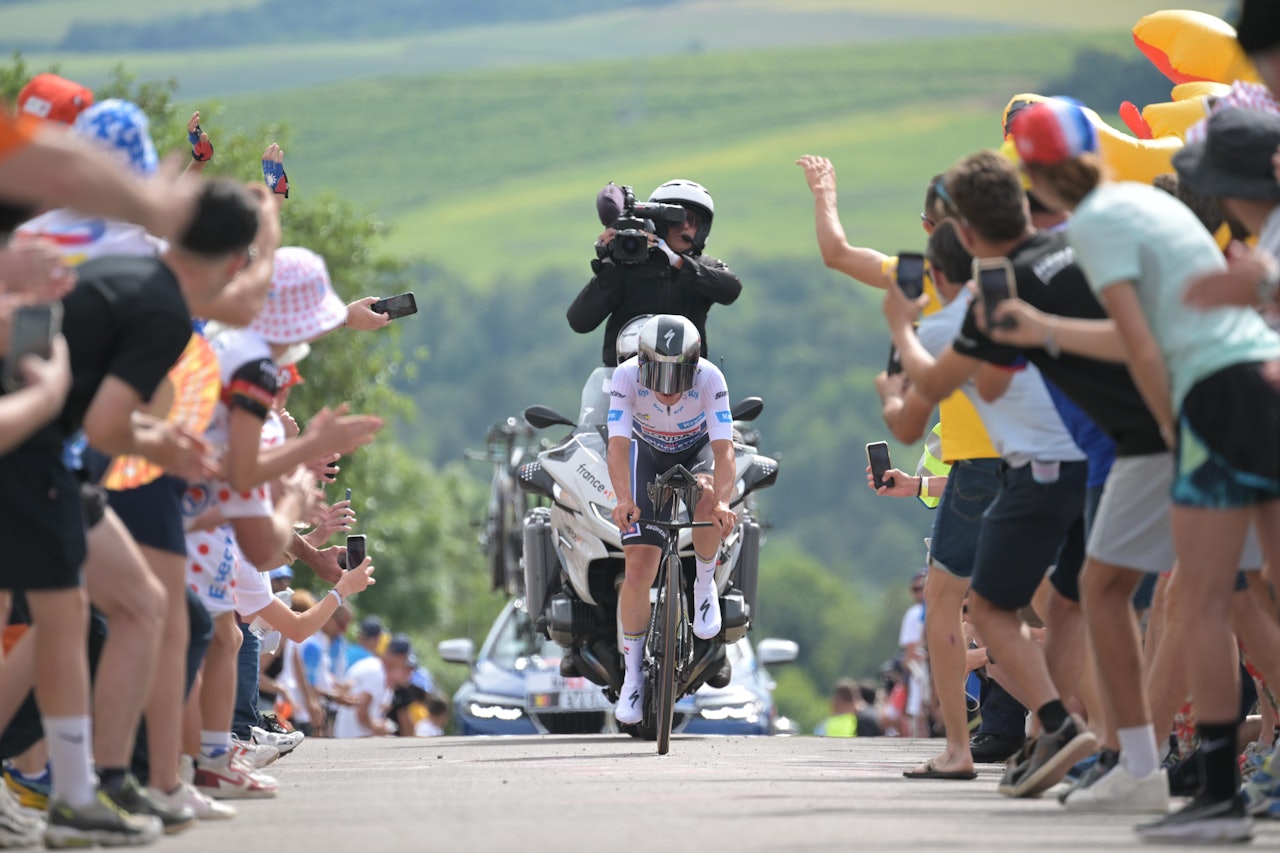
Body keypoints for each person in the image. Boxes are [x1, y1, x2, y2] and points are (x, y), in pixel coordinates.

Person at [1010, 99, 1280, 842]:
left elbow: (1144, 348)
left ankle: (1183, 785)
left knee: (1189, 599)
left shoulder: (1093, 227)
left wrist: (1173, 433)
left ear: (1032, 173)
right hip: (1253, 381)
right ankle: (1201, 784)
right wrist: (1047, 329)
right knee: (1231, 595)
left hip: (1209, 397)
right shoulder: (1135, 203)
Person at [605, 314, 737, 725]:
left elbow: (724, 451)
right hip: (648, 455)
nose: (665, 389)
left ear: (695, 366)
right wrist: (624, 499)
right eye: (657, 374)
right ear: (641, 363)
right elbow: (617, 446)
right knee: (637, 570)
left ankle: (702, 585)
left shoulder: (711, 379)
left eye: (677, 375)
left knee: (708, 496)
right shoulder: (625, 377)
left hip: (695, 451)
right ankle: (631, 679)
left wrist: (723, 503)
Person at [567, 180, 741, 367]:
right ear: (658, 222)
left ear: (702, 229)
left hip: (685, 385)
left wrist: (676, 262)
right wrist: (608, 266)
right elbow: (580, 321)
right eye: (676, 220)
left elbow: (731, 289)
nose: (685, 227)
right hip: (625, 383)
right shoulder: (628, 264)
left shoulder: (704, 265)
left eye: (693, 220)